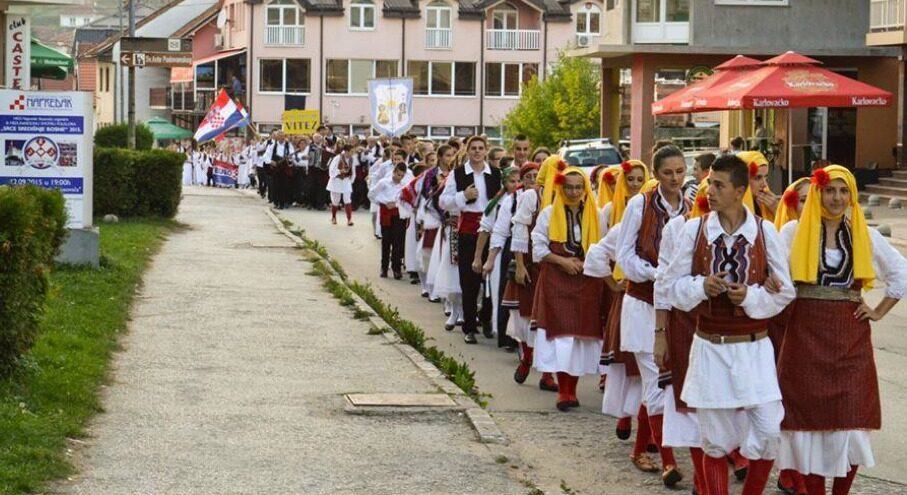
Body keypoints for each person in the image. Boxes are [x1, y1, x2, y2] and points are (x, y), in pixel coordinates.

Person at [662, 154, 795, 495]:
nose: (710, 191)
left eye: (719, 185)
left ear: (739, 190)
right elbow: (670, 288)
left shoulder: (764, 232)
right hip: (710, 346)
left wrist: (750, 297)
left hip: (754, 348)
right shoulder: (694, 231)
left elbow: (785, 292)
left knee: (768, 429)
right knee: (715, 440)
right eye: (709, 184)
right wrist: (700, 287)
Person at [776, 165, 907, 495]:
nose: (836, 198)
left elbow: (900, 273)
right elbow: (774, 276)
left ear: (852, 195)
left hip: (851, 338)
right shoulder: (793, 232)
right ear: (818, 193)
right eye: (830, 190)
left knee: (851, 421)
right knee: (807, 423)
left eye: (843, 191)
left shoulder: (864, 234)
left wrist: (878, 310)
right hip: (804, 337)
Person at [615, 145, 690, 487]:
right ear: (656, 174)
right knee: (657, 381)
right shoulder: (640, 205)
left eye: (680, 171)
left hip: (674, 309)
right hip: (642, 305)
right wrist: (655, 273)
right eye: (668, 172)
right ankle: (669, 462)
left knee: (658, 382)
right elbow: (624, 255)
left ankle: (638, 451)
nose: (675, 178)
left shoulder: (691, 207)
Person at [530, 166, 603, 411]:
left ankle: (573, 390)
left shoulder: (596, 214)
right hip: (557, 281)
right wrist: (563, 262)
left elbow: (603, 247)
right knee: (562, 337)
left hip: (586, 281)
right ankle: (563, 391)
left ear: (585, 188)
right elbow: (538, 247)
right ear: (561, 187)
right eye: (569, 187)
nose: (573, 192)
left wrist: (585, 263)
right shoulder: (549, 213)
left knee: (580, 338)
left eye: (578, 187)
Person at [440, 136, 501, 344]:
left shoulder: (495, 174)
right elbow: (443, 202)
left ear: (486, 150)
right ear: (467, 151)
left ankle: (486, 319)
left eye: (480, 148)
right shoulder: (458, 174)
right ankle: (469, 326)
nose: (477, 151)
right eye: (473, 148)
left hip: (491, 229)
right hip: (468, 229)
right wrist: (463, 196)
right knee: (469, 280)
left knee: (490, 278)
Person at [508, 157, 560, 393]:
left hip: (555, 266)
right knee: (528, 317)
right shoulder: (532, 196)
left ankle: (548, 374)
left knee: (551, 320)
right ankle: (527, 358)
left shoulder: (567, 197)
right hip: (532, 264)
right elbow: (519, 230)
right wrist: (520, 266)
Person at [475, 165, 522, 346]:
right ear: (505, 183)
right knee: (500, 293)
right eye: (512, 181)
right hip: (502, 251)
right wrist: (482, 258)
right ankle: (502, 332)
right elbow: (486, 229)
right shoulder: (498, 202)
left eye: (518, 181)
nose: (516, 185)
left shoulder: (526, 198)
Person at [369, 163, 412, 278]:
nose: (399, 177)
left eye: (402, 175)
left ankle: (396, 268)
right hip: (386, 213)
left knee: (397, 242)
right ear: (394, 172)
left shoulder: (404, 185)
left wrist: (396, 204)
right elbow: (371, 194)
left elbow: (405, 201)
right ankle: (384, 267)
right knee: (386, 241)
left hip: (398, 214)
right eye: (398, 174)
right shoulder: (384, 182)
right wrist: (382, 202)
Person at [739, 150, 779, 222]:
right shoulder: (729, 209)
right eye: (758, 178)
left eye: (766, 178)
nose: (764, 184)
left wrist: (776, 210)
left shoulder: (765, 205)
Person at [327, 143, 356, 225]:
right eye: (351, 151)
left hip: (346, 181)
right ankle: (333, 217)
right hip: (337, 180)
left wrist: (351, 180)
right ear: (346, 151)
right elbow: (331, 170)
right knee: (335, 200)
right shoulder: (338, 158)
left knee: (347, 199)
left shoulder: (352, 159)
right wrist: (339, 171)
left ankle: (349, 219)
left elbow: (353, 170)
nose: (352, 153)